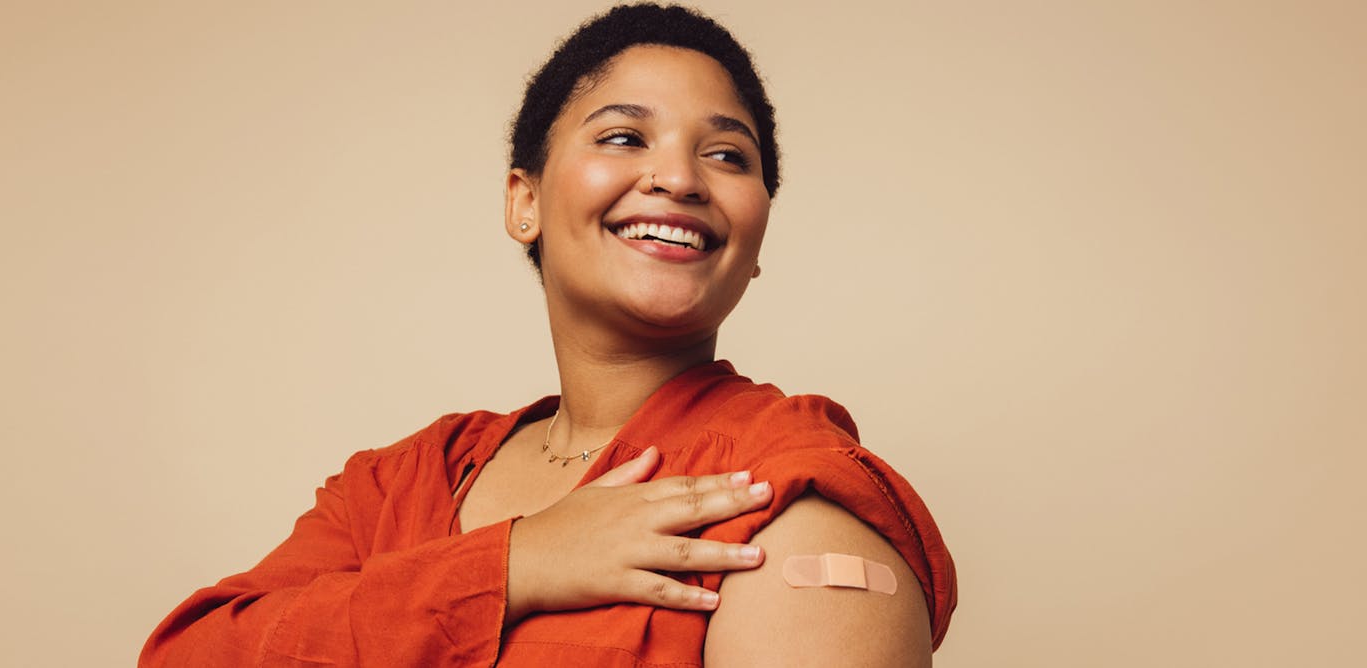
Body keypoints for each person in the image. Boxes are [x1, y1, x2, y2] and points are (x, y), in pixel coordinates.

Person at [140, 4, 957, 666]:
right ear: (523, 202)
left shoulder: (782, 498)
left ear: (755, 235)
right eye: (623, 137)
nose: (679, 178)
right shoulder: (394, 488)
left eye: (727, 156)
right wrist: (514, 564)